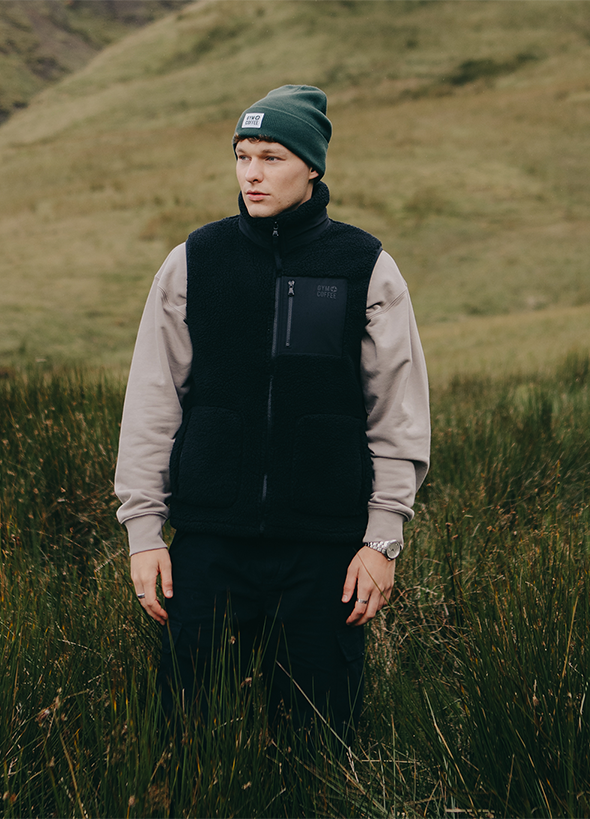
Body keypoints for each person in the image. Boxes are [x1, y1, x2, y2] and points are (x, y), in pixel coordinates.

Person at [114, 85, 430, 744]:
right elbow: (152, 401)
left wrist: (382, 540)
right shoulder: (193, 261)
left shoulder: (365, 266)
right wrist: (143, 531)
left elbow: (397, 411)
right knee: (189, 742)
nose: (252, 174)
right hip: (208, 547)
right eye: (242, 156)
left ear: (312, 167)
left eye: (272, 157)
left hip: (325, 553)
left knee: (321, 746)